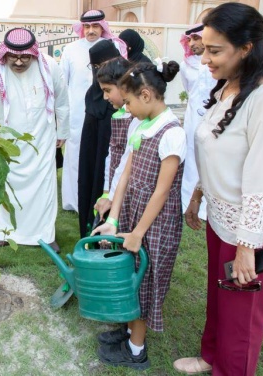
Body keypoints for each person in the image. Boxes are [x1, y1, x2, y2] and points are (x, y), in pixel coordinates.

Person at [173, 3, 263, 375]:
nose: (205, 58)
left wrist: (248, 246)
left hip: (250, 229)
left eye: (215, 51)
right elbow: (218, 150)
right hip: (221, 216)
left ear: (246, 48)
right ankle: (211, 356)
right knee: (220, 297)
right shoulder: (229, 86)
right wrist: (199, 191)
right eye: (204, 48)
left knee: (242, 317)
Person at [92, 61, 185, 370]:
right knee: (128, 274)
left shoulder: (172, 134)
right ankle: (129, 331)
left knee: (142, 284)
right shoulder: (144, 126)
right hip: (134, 217)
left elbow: (161, 192)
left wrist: (138, 232)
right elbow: (125, 176)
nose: (126, 109)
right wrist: (114, 220)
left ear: (146, 95)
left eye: (128, 101)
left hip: (154, 226)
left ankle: (136, 351)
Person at [0, 28, 69, 251]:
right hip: (9, 141)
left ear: (33, 53)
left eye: (24, 57)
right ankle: (6, 233)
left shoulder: (49, 66)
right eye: (12, 57)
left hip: (42, 138)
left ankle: (45, 234)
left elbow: (62, 101)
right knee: (7, 184)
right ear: (4, 54)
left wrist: (62, 131)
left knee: (45, 187)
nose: (17, 62)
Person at [59, 9, 127, 212]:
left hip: (107, 111)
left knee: (103, 156)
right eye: (87, 26)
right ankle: (74, 201)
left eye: (95, 26)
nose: (91, 30)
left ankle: (99, 198)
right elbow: (63, 83)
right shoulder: (70, 49)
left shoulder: (113, 47)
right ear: (82, 28)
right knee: (75, 157)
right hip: (77, 112)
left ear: (102, 26)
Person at [77, 39, 119, 238]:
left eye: (101, 66)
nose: (97, 71)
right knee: (88, 189)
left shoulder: (122, 97)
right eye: (94, 67)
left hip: (113, 157)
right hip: (91, 155)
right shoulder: (93, 93)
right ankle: (87, 235)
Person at [93, 56, 139, 221]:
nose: (105, 97)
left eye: (107, 90)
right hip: (116, 190)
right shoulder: (119, 115)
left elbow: (126, 163)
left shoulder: (137, 119)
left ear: (123, 86)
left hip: (130, 194)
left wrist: (111, 195)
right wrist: (107, 192)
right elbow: (112, 157)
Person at [179, 24, 216, 220]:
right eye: (189, 40)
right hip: (193, 119)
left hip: (215, 117)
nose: (193, 43)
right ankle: (187, 201)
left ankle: (209, 206)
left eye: (196, 38)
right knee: (191, 159)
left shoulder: (215, 62)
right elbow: (189, 90)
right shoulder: (186, 65)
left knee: (212, 158)